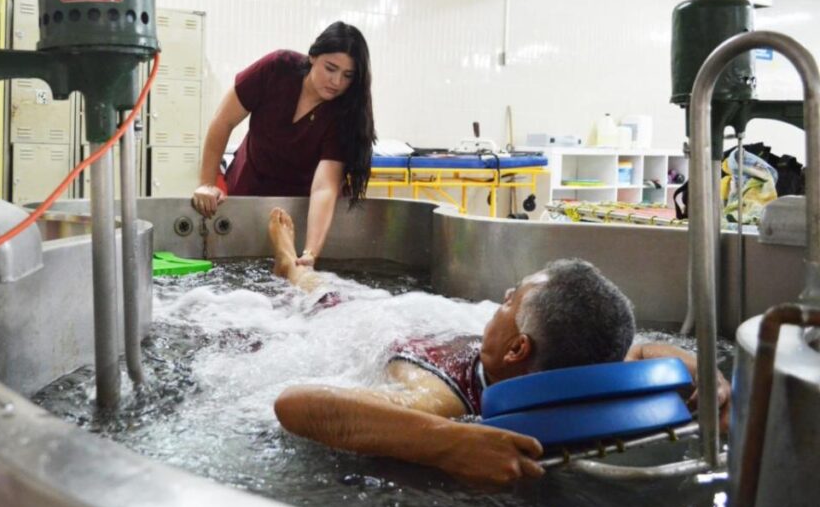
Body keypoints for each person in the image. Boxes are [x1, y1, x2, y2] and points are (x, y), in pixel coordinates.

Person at [264, 208, 732, 486]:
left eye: (511, 300)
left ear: (516, 350)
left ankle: (292, 268)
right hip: (412, 321)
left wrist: (447, 442)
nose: (503, 297)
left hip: (357, 326)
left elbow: (296, 405)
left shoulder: (440, 396)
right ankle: (295, 267)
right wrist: (706, 373)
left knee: (325, 297)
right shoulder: (579, 362)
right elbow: (644, 351)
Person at [192, 22, 376, 268]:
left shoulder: (343, 113)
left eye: (347, 76)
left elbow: (324, 187)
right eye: (330, 68)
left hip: (302, 207)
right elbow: (223, 122)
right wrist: (207, 183)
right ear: (313, 56)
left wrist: (310, 252)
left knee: (294, 272)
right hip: (250, 189)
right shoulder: (276, 69)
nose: (336, 81)